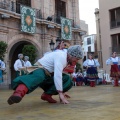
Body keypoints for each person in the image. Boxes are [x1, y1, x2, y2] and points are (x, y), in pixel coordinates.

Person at [7, 45, 83, 105]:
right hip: (40, 68)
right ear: (71, 55)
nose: (76, 61)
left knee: (67, 80)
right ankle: (18, 94)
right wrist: (60, 93)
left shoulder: (67, 60)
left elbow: (61, 76)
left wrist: (63, 91)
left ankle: (47, 95)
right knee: (39, 76)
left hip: (48, 75)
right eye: (76, 59)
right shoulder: (62, 57)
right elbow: (57, 75)